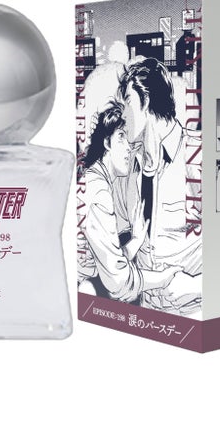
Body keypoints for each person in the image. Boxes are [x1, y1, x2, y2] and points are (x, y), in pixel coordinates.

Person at [116, 58, 202, 316]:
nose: (122, 114)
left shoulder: (197, 155)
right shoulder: (129, 164)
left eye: (127, 102)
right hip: (148, 311)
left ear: (147, 101)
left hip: (195, 311)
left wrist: (197, 285)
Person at [78, 99, 182, 303]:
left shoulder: (96, 179)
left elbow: (109, 261)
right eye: (121, 138)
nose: (128, 148)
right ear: (106, 143)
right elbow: (118, 282)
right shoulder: (98, 191)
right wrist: (163, 278)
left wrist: (135, 240)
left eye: (129, 140)